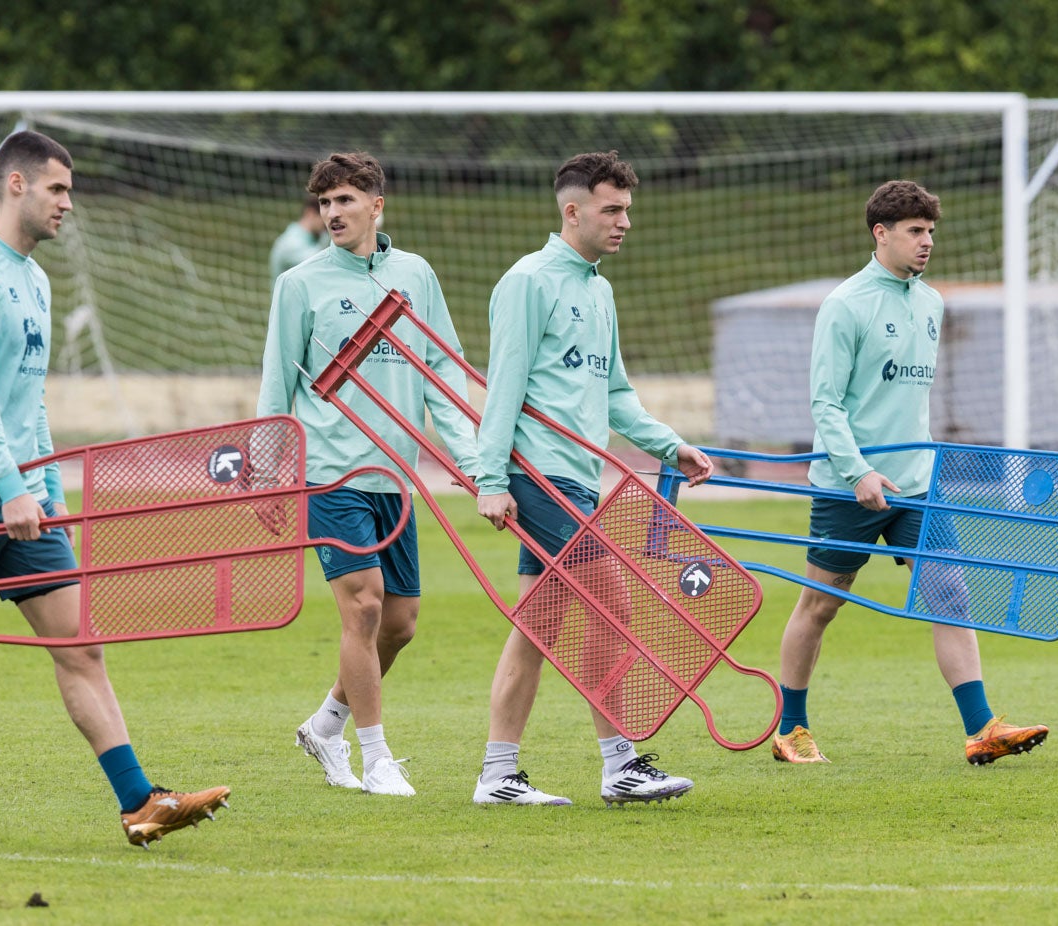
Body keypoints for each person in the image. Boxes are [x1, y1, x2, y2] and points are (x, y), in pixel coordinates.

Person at [0, 131, 230, 848]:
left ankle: (139, 802)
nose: (69, 203)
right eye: (58, 189)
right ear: (17, 185)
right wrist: (8, 488)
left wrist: (49, 489)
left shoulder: (35, 278)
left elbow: (29, 401)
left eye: (70, 190)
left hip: (25, 496)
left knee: (80, 647)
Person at [770, 179, 1049, 766]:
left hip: (918, 486)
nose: (927, 243)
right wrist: (857, 472)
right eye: (915, 232)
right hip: (850, 486)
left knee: (950, 594)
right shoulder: (845, 304)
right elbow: (826, 404)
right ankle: (790, 729)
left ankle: (982, 728)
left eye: (930, 232)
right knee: (821, 604)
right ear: (882, 233)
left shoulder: (931, 302)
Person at [472, 151, 715, 807]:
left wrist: (673, 448)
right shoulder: (527, 281)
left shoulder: (598, 290)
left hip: (576, 479)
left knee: (538, 630)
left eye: (627, 210)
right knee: (615, 605)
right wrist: (488, 477)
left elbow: (615, 395)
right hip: (537, 477)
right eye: (611, 209)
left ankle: (497, 776)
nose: (623, 223)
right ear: (571, 210)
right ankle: (621, 763)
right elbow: (504, 388)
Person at [256, 151, 478, 797]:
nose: (332, 214)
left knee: (399, 625)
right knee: (364, 607)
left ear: (376, 206)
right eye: (324, 204)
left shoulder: (415, 275)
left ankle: (325, 724)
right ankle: (377, 756)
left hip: (394, 478)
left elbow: (443, 371)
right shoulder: (299, 283)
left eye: (345, 201)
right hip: (328, 474)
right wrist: (269, 474)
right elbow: (275, 386)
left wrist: (469, 461)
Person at [268, 193, 328, 283]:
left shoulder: (312, 238)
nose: (327, 223)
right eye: (324, 217)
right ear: (310, 213)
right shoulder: (290, 243)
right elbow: (319, 263)